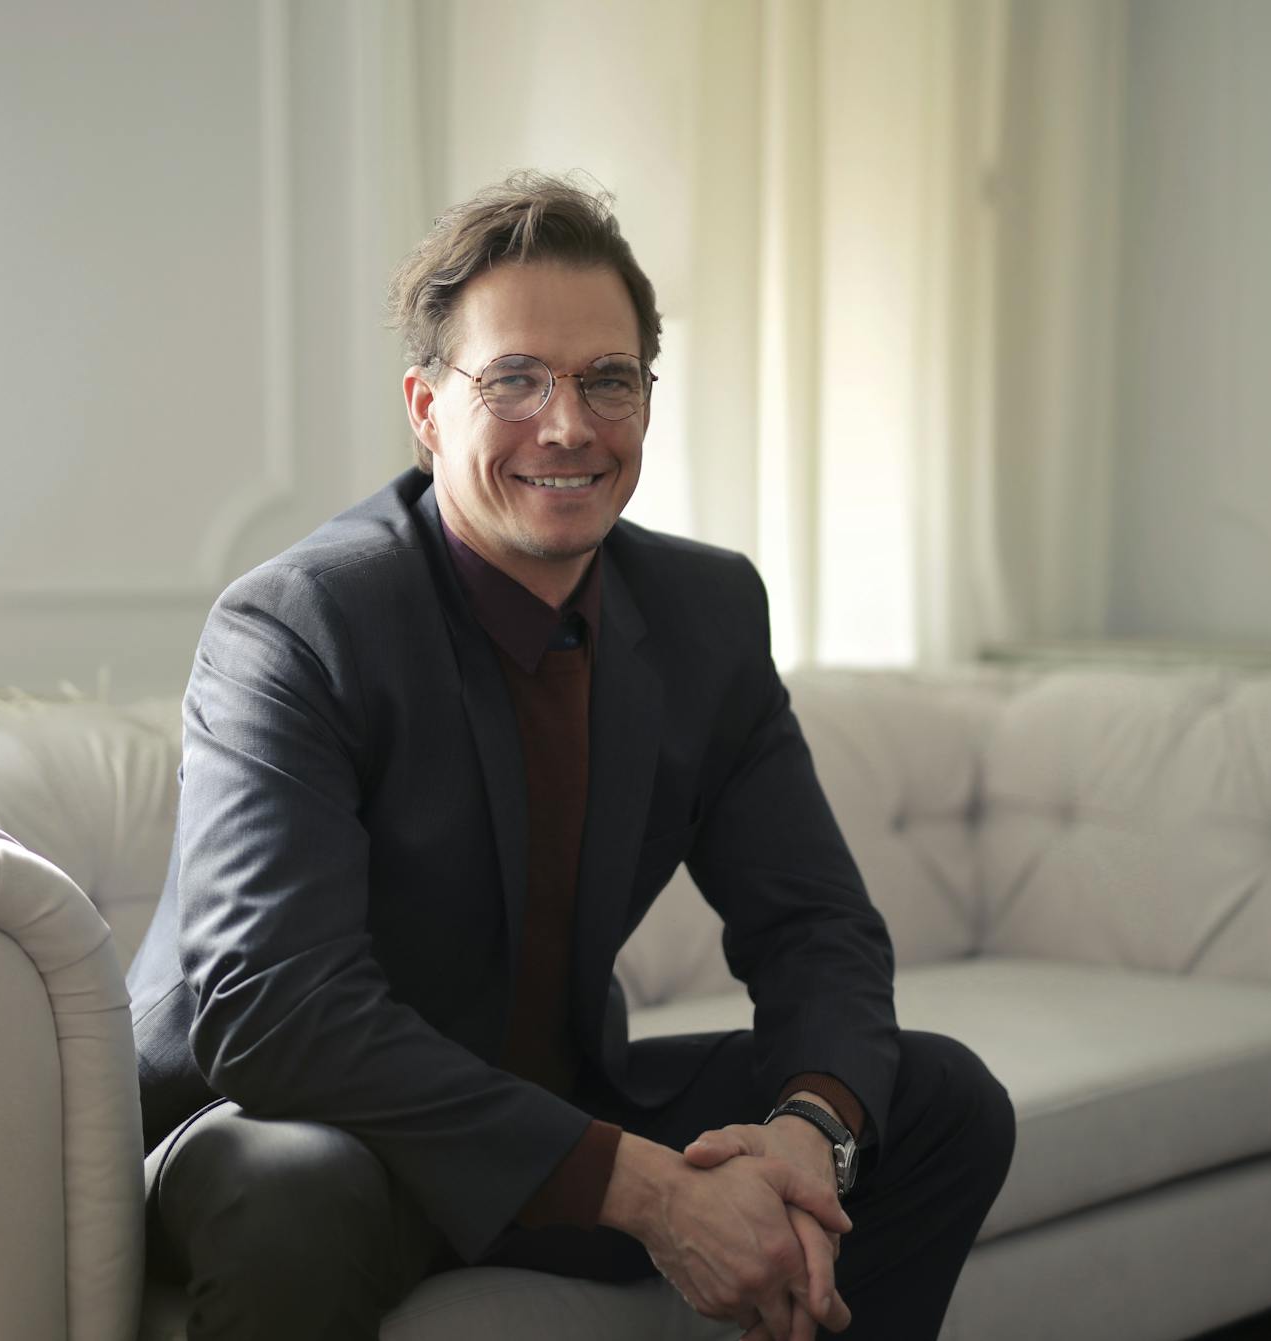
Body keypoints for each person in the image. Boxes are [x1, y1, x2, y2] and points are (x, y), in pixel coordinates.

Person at [126, 172, 1014, 1341]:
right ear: (425, 408)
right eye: (514, 380)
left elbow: (816, 927)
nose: (568, 425)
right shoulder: (298, 623)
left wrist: (811, 1134)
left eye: (609, 380)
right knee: (298, 1192)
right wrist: (641, 1191)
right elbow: (277, 1009)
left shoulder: (704, 610)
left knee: (942, 1097)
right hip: (299, 1115)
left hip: (551, 1101)